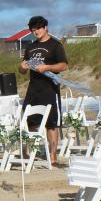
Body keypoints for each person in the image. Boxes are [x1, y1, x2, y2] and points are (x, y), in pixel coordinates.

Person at [18, 15, 68, 165]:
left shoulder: (55, 45)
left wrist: (47, 67)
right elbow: (22, 69)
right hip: (33, 88)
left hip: (50, 88)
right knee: (30, 121)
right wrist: (22, 67)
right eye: (33, 29)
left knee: (51, 123)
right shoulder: (31, 47)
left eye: (38, 28)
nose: (36, 31)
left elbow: (64, 65)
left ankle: (53, 155)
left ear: (45, 28)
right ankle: (31, 151)